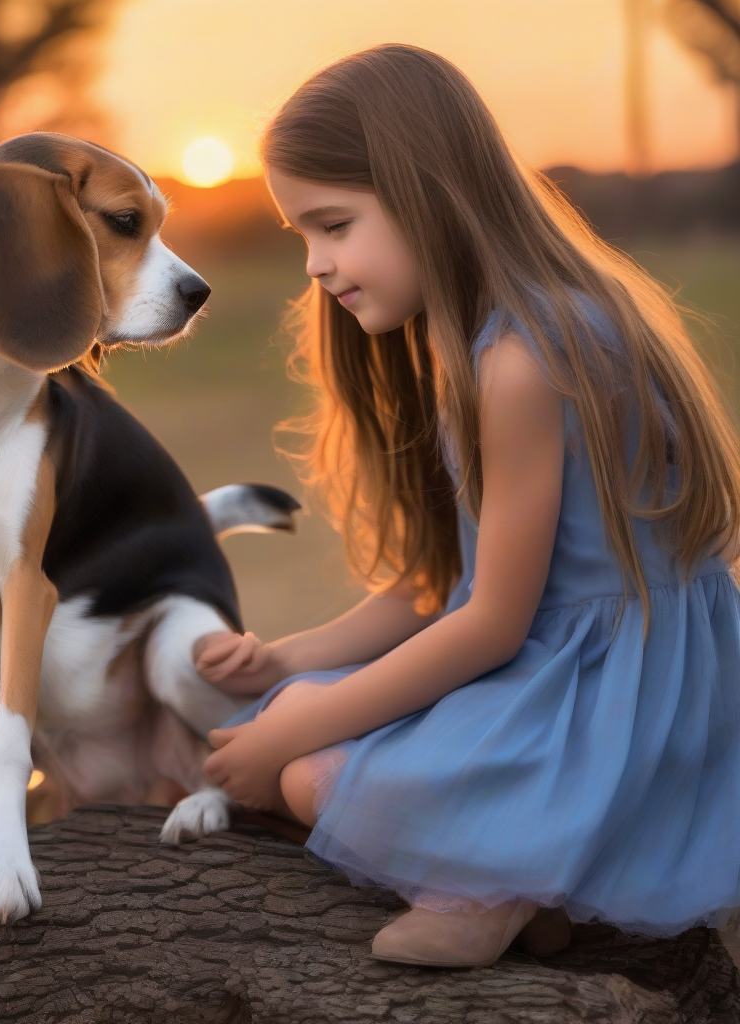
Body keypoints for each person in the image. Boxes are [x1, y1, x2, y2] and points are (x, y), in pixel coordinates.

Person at [190, 44, 740, 969]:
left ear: (425, 192)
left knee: (308, 768)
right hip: (580, 668)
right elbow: (442, 584)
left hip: (614, 700)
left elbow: (488, 625)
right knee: (291, 712)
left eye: (333, 225)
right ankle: (530, 885)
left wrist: (295, 730)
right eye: (303, 238)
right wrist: (284, 661)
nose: (319, 265)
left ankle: (489, 881)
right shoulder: (501, 332)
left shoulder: (523, 360)